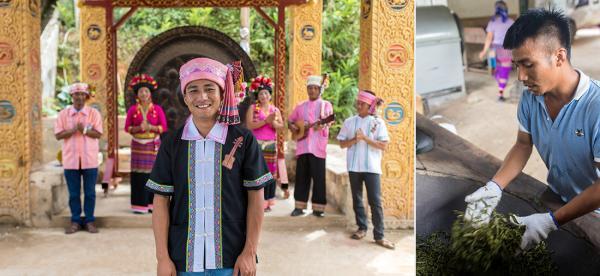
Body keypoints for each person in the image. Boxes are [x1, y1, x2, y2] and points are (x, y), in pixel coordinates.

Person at [465, 9, 600, 250]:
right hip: (558, 197)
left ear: (559, 57)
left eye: (528, 65)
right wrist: (494, 186)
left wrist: (549, 222)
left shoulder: (596, 106)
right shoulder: (531, 99)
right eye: (517, 65)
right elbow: (523, 145)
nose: (521, 76)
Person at [146, 57, 273, 275]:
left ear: (223, 94)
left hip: (231, 259)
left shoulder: (243, 140)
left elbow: (256, 198)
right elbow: (160, 202)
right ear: (185, 97)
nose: (202, 97)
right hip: (183, 260)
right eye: (193, 90)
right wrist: (162, 258)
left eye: (209, 89)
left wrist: (249, 253)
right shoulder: (172, 143)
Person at [337, 90, 395, 250]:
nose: (358, 105)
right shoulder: (349, 122)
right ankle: (362, 228)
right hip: (354, 167)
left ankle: (379, 235)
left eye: (362, 103)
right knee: (357, 199)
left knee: (375, 202)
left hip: (372, 168)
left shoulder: (378, 123)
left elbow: (383, 145)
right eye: (358, 102)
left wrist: (365, 138)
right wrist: (355, 139)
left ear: (370, 106)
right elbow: (342, 144)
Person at [54, 82, 103, 234]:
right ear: (72, 96)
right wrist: (73, 130)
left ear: (86, 97)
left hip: (89, 160)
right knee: (74, 194)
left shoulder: (93, 114)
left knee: (90, 193)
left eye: (83, 94)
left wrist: (85, 130)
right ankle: (75, 221)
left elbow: (98, 133)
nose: (80, 97)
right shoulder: (63, 114)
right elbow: (58, 135)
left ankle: (89, 221)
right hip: (71, 161)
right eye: (77, 94)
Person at [288, 75, 333, 217]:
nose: (312, 90)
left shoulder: (325, 105)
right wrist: (295, 127)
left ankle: (318, 208)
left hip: (318, 147)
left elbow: (329, 121)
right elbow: (290, 121)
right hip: (303, 146)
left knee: (319, 177)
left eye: (315, 88)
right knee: (301, 177)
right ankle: (299, 207)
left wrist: (323, 124)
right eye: (310, 88)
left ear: (320, 90)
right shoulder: (300, 106)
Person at [124, 73, 167, 214]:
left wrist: (152, 128)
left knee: (153, 174)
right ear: (137, 94)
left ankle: (151, 203)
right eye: (141, 91)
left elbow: (163, 127)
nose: (143, 94)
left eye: (146, 91)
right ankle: (139, 205)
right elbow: (127, 128)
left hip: (152, 145)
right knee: (138, 175)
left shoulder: (157, 110)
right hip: (137, 145)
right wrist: (138, 128)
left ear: (150, 94)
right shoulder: (132, 110)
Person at [246, 75, 284, 212]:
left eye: (266, 93)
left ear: (270, 95)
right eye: (261, 93)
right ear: (257, 95)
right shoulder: (253, 108)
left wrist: (272, 121)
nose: (263, 96)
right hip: (256, 144)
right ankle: (257, 202)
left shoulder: (275, 110)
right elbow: (249, 125)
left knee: (271, 173)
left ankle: (268, 202)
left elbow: (280, 127)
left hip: (270, 145)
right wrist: (265, 121)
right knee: (257, 172)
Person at [478, 1, 515, 101]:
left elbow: (489, 38)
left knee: (498, 71)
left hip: (494, 51)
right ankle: (500, 94)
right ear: (506, 9)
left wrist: (484, 51)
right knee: (504, 73)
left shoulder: (492, 22)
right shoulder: (511, 22)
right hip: (506, 50)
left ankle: (500, 83)